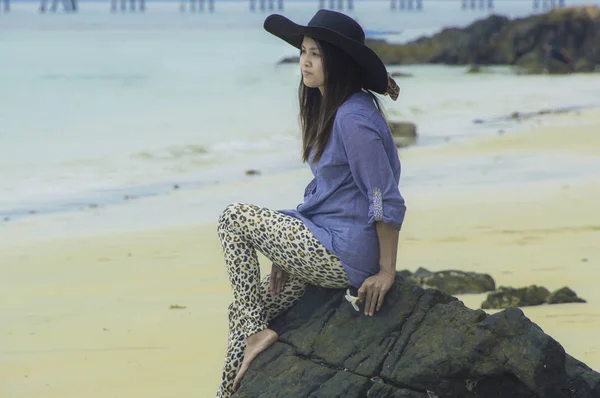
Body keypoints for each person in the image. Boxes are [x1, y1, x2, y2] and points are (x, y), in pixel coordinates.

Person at [215, 9, 406, 397]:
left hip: (344, 252)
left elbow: (382, 196)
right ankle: (228, 390)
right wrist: (285, 255)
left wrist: (387, 271)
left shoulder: (354, 118)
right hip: (324, 239)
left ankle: (256, 333)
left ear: (338, 62)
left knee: (233, 219)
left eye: (315, 54)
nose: (304, 61)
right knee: (246, 308)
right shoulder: (331, 109)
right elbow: (327, 191)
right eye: (303, 51)